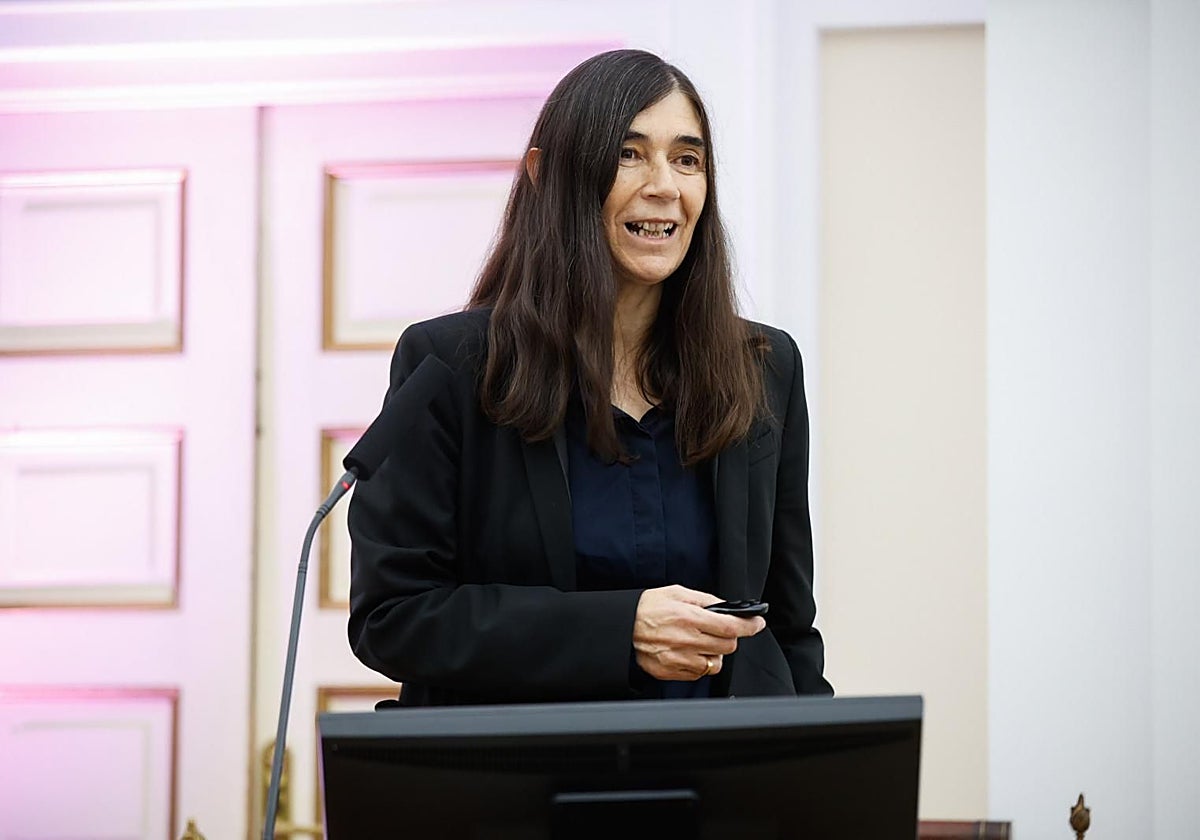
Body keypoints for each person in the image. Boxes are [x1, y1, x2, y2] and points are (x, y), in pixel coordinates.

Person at [347, 48, 832, 706]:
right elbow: (393, 618)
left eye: (687, 159)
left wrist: (819, 755)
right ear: (544, 173)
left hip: (721, 765)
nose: (664, 185)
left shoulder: (765, 367)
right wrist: (619, 630)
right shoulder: (449, 366)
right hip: (523, 766)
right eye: (629, 153)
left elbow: (790, 628)